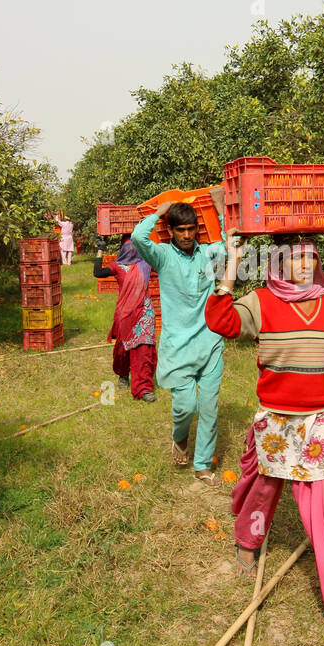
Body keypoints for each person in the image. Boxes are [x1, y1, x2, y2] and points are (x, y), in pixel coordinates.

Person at [204, 231, 324, 641]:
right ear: (279, 263)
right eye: (294, 258)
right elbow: (220, 322)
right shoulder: (262, 303)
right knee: (265, 488)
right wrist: (232, 265)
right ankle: (247, 543)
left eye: (310, 257)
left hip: (322, 419)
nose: (303, 265)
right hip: (277, 419)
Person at [130, 188, 226, 485]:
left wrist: (220, 207)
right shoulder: (161, 256)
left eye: (191, 229)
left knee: (209, 406)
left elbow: (231, 244)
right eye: (181, 230)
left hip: (210, 342)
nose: (187, 235)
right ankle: (180, 438)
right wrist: (158, 213)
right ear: (170, 231)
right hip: (178, 347)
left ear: (198, 229)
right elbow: (137, 238)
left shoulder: (208, 254)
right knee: (186, 407)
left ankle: (202, 465)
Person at [93, 235, 157, 402]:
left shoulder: (145, 264)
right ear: (122, 249)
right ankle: (123, 374)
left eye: (134, 246)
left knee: (144, 348)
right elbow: (97, 273)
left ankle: (144, 388)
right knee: (123, 348)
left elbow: (167, 265)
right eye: (128, 246)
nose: (131, 250)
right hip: (125, 314)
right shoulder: (117, 266)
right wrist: (100, 249)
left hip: (144, 312)